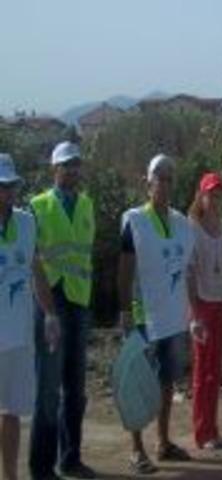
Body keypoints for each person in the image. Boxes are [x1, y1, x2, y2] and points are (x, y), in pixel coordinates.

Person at [117, 154, 202, 474]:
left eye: (169, 178)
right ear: (147, 182)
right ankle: (136, 449)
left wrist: (193, 314)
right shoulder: (134, 220)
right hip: (144, 317)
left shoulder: (182, 223)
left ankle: (163, 442)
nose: (164, 184)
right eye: (159, 178)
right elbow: (124, 270)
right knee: (140, 383)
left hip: (174, 317)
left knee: (168, 382)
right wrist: (125, 311)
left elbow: (189, 273)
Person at [28, 142, 97, 479]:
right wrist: (47, 308)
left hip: (79, 302)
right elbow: (32, 259)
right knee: (48, 388)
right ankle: (41, 468)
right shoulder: (37, 206)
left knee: (76, 388)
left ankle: (70, 458)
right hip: (51, 303)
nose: (72, 170)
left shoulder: (86, 205)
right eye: (66, 165)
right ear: (54, 168)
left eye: (76, 165)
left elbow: (84, 255)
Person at [0, 153, 61, 480]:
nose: (6, 191)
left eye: (10, 185)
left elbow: (36, 269)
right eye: (1, 186)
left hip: (19, 336)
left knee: (11, 411)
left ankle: (9, 475)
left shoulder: (26, 222)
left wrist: (50, 313)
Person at [187, 172, 222, 450]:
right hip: (202, 304)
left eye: (218, 195)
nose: (214, 200)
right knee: (202, 369)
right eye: (210, 194)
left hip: (221, 302)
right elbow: (189, 272)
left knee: (216, 368)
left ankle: (213, 427)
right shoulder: (192, 227)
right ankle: (202, 432)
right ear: (200, 196)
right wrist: (193, 314)